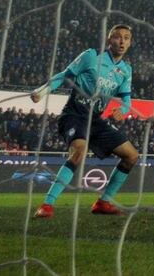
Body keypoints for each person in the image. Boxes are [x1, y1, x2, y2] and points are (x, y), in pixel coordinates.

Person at [31, 25, 138, 218]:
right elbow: (65, 75)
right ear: (109, 40)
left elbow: (127, 100)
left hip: (96, 119)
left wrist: (122, 110)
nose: (122, 41)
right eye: (117, 37)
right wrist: (42, 91)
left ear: (130, 43)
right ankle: (47, 205)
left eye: (126, 38)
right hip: (74, 113)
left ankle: (103, 203)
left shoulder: (126, 70)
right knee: (80, 151)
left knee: (131, 156)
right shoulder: (91, 56)